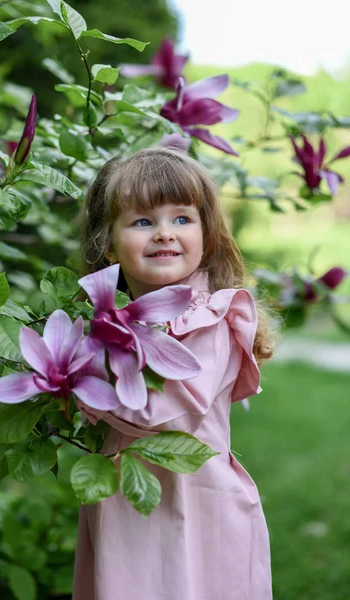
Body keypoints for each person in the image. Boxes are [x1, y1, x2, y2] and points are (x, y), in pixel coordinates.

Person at [73, 147, 276, 600]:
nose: (165, 233)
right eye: (143, 221)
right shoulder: (107, 321)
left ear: (208, 236)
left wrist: (79, 387)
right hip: (126, 502)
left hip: (198, 504)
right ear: (108, 243)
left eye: (182, 219)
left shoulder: (213, 319)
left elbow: (169, 415)